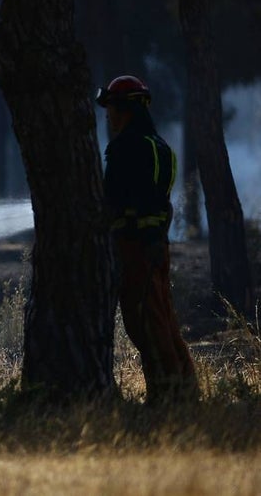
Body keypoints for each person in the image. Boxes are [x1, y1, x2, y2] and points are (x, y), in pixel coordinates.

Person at [96, 75, 199, 405]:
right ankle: (185, 392)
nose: (108, 115)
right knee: (163, 319)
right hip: (157, 246)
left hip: (134, 247)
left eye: (111, 107)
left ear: (124, 108)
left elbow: (115, 199)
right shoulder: (162, 148)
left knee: (145, 324)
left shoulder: (126, 147)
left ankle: (167, 399)